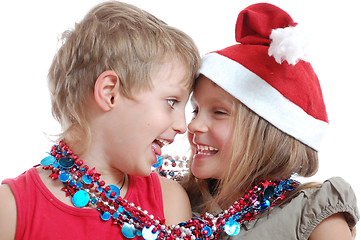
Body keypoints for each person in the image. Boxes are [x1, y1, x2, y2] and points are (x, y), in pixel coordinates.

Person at [0, 1, 200, 239]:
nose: (182, 125)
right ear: (109, 93)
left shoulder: (170, 202)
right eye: (171, 102)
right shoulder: (11, 207)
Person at [183, 3, 359, 239]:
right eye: (195, 110)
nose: (193, 125)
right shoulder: (180, 199)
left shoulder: (312, 212)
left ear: (270, 131)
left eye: (219, 112)